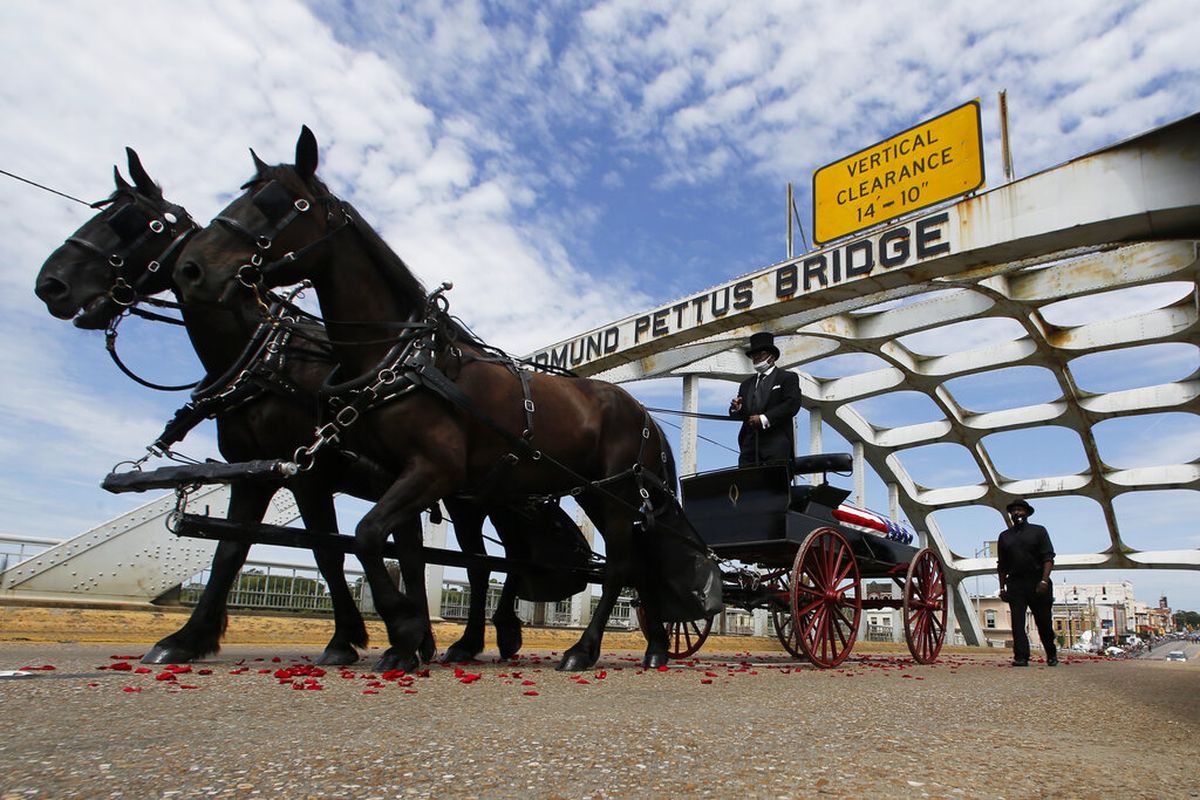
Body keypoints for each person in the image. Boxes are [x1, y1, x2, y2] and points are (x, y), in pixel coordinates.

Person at [996, 498, 1059, 667]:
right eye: (1014, 510)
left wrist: (1044, 581)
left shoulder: (1039, 531)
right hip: (1016, 583)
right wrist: (1002, 587)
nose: (1017, 513)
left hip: (1038, 581)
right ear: (1010, 514)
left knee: (1043, 621)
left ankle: (1051, 654)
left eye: (1020, 510)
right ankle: (1021, 656)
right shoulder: (1004, 536)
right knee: (1017, 622)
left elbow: (1048, 557)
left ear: (1027, 513)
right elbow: (1002, 565)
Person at [728, 331, 802, 467]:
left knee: (774, 485)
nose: (756, 358)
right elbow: (741, 414)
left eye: (760, 354)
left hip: (776, 445)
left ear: (772, 357)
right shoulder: (745, 385)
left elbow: (792, 404)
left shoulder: (787, 378)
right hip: (749, 448)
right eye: (753, 356)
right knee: (747, 484)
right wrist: (736, 409)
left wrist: (764, 419)